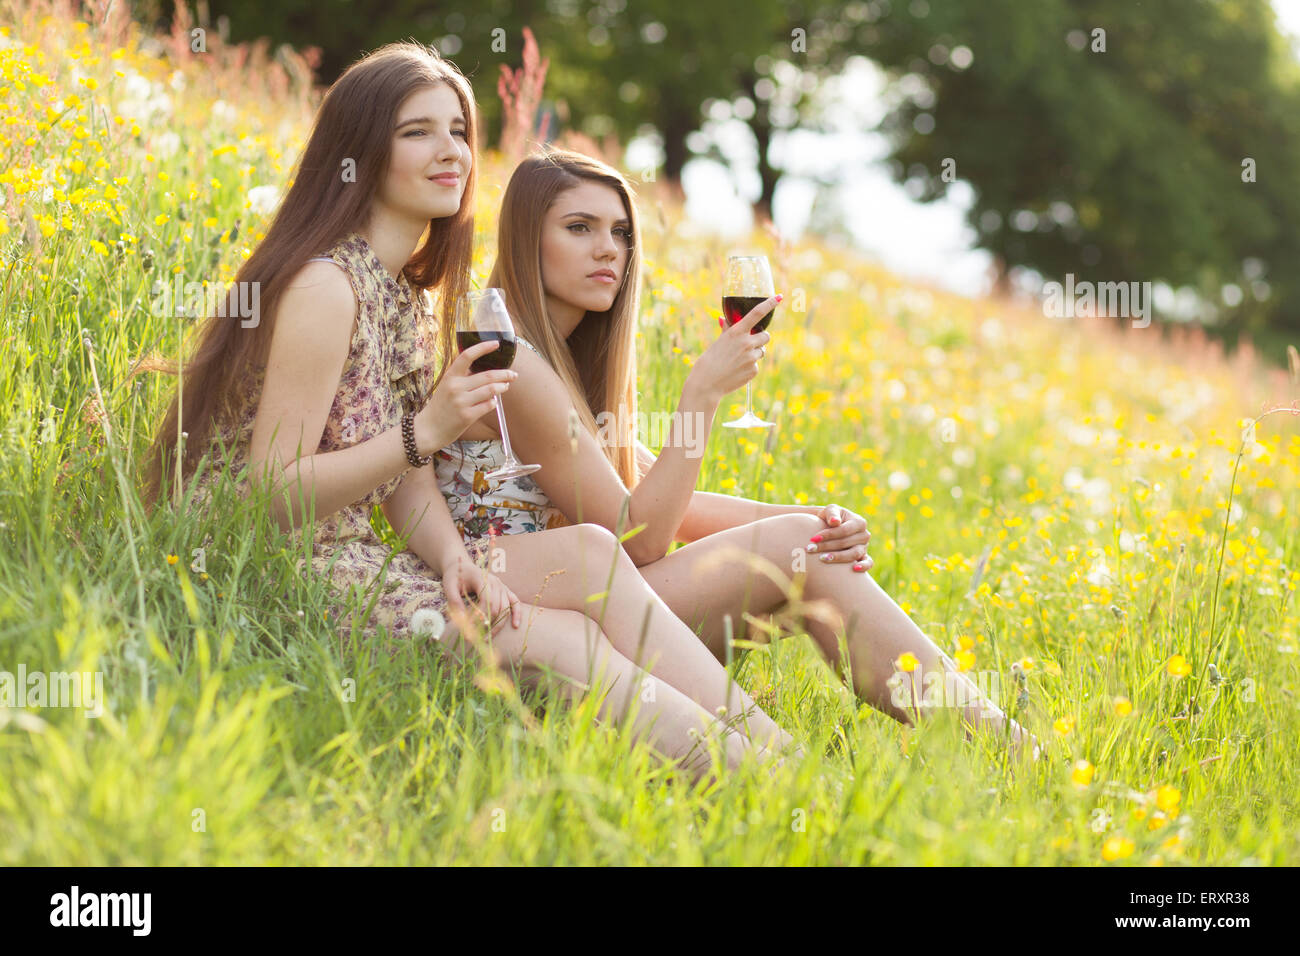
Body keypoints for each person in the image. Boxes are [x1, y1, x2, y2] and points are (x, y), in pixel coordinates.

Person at [134, 43, 795, 780]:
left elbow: (403, 476)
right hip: (280, 569)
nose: (450, 150)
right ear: (358, 152)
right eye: (417, 131)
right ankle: (765, 784)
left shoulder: (402, 296)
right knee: (566, 640)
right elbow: (271, 493)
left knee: (590, 553)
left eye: (458, 130)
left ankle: (778, 757)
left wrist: (451, 557)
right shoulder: (325, 288)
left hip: (370, 553)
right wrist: (428, 430)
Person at [440, 146, 1039, 758]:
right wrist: (700, 395)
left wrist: (813, 524)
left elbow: (659, 501)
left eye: (620, 231)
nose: (608, 249)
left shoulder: (568, 364)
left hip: (591, 596)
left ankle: (1006, 747)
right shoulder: (515, 365)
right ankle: (997, 752)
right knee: (801, 554)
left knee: (810, 551)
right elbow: (639, 538)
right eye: (579, 228)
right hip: (519, 605)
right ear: (523, 241)